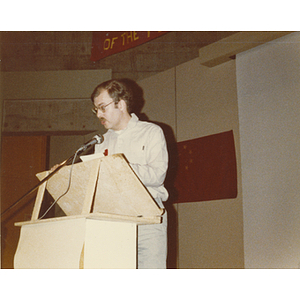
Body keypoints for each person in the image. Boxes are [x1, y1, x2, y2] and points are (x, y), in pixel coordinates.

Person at [91, 79, 169, 269]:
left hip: (148, 222)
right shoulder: (101, 142)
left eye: (102, 107)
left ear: (121, 104)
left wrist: (119, 166)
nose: (99, 115)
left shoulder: (151, 132)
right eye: (96, 110)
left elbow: (157, 175)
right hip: (114, 223)